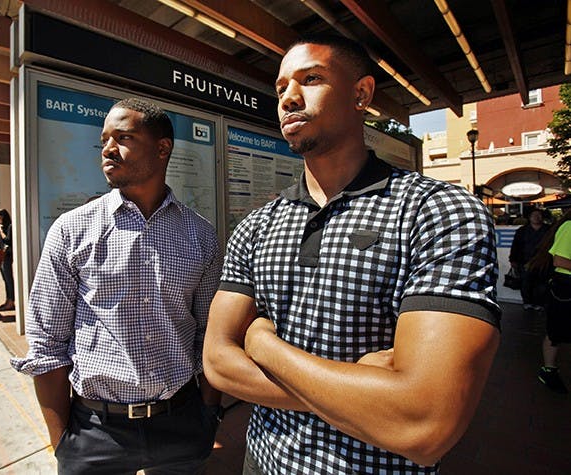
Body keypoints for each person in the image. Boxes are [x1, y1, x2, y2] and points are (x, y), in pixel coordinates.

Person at [203, 35, 501, 474]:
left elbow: (424, 425)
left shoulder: (437, 212)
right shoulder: (256, 226)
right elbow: (217, 363)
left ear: (361, 94)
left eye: (312, 79)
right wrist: (366, 394)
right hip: (263, 462)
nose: (289, 97)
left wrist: (262, 343)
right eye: (281, 86)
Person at [11, 97, 223, 474]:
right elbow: (46, 344)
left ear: (162, 149)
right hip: (95, 431)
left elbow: (209, 337)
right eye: (104, 139)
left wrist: (207, 416)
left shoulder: (201, 236)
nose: (108, 148)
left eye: (123, 137)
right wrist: (62, 442)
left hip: (181, 424)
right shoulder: (71, 230)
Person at [531, 209, 571, 393]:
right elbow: (560, 260)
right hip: (564, 288)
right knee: (555, 331)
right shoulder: (569, 227)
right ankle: (549, 369)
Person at [510, 208, 550, 310]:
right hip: (525, 261)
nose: (536, 217)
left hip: (543, 261)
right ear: (529, 217)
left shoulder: (548, 229)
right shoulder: (522, 231)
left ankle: (539, 303)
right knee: (526, 283)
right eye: (534, 215)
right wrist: (513, 260)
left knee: (542, 283)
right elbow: (515, 246)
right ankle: (527, 302)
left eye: (539, 215)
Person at [0, 208, 15, 311]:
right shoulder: (0, 227)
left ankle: (11, 301)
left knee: (8, 279)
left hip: (7, 255)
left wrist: (1, 231)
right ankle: (8, 300)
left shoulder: (9, 227)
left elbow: (8, 240)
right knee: (5, 279)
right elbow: (2, 241)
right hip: (1, 254)